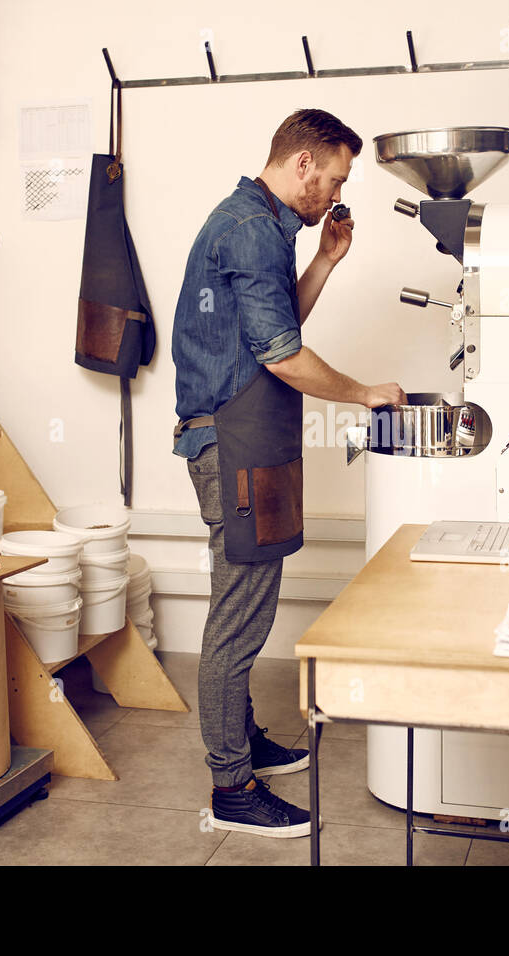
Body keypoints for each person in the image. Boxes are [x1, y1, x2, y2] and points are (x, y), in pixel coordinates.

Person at [172, 109, 406, 837]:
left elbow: (271, 331)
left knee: (239, 604)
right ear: (303, 164)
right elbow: (281, 356)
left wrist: (326, 260)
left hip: (249, 439)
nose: (332, 194)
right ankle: (231, 789)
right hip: (230, 443)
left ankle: (242, 743)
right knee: (236, 618)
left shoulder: (268, 227)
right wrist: (365, 392)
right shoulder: (248, 228)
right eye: (332, 178)